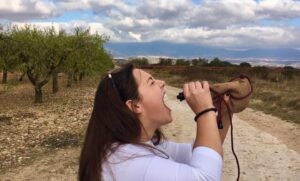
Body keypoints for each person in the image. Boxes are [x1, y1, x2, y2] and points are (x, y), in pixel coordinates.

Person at [79, 63, 232, 181]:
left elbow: (199, 153)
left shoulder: (136, 145)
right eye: (151, 82)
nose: (162, 82)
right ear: (135, 105)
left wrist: (224, 113)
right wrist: (205, 112)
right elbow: (206, 178)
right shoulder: (130, 161)